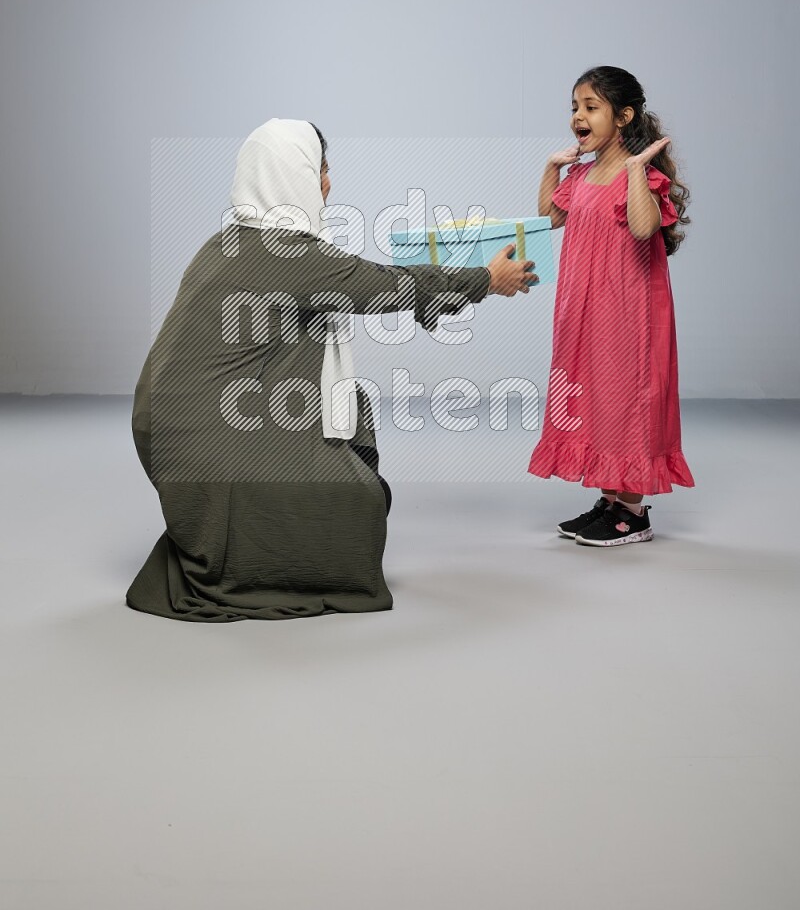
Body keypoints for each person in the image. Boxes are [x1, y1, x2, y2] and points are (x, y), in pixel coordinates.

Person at [126, 118, 536, 621]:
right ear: (293, 174)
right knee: (359, 505)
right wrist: (485, 279)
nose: (327, 183)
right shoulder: (287, 252)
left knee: (348, 408)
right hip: (204, 444)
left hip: (168, 433)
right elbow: (386, 286)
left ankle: (238, 532)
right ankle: (253, 554)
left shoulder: (225, 243)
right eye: (319, 169)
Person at [528, 66, 694, 545]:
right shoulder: (581, 174)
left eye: (590, 107)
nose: (578, 117)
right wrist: (551, 167)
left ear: (623, 117)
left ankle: (633, 511)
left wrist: (636, 170)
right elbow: (549, 218)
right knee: (597, 398)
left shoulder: (642, 176)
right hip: (586, 309)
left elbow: (643, 227)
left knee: (627, 398)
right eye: (574, 108)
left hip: (629, 311)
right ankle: (610, 500)